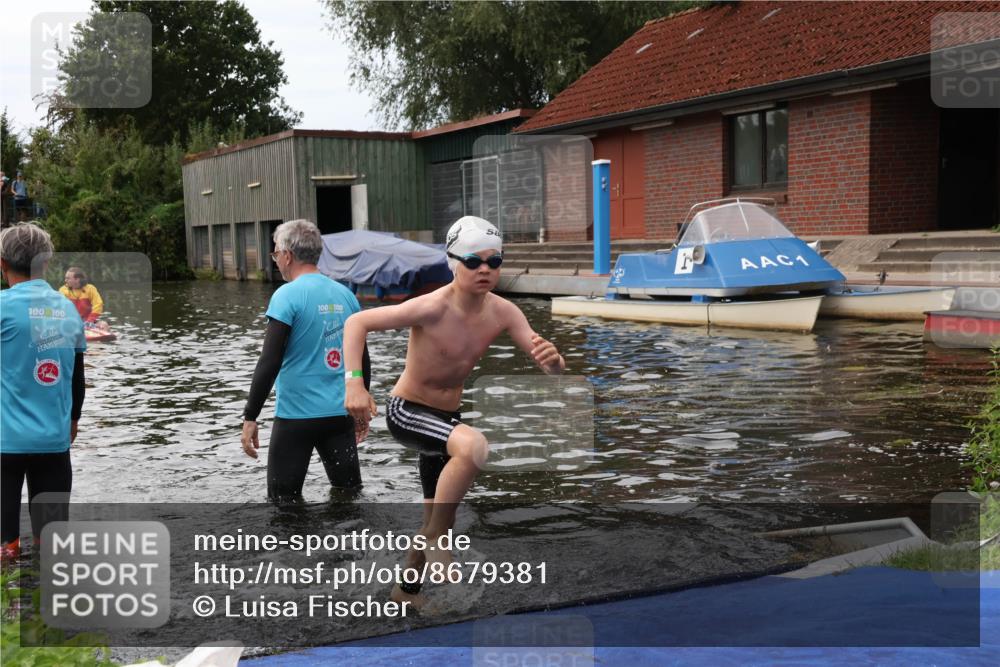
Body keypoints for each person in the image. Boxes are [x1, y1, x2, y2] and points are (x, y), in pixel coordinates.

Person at [343, 215, 565, 607]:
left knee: (436, 514)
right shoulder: (430, 307)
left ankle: (405, 591)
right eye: (473, 261)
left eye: (494, 262)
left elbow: (545, 361)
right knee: (474, 448)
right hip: (409, 411)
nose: (485, 270)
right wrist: (355, 384)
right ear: (452, 261)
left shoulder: (503, 312)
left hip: (446, 422)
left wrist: (554, 364)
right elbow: (356, 322)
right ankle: (435, 540)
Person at [240, 219, 371, 501]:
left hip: (295, 419)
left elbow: (269, 361)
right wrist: (361, 409)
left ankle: (298, 546)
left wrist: (251, 415)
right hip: (340, 416)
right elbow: (362, 358)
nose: (276, 261)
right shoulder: (346, 296)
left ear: (287, 255)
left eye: (275, 254)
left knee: (283, 504)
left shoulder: (286, 296)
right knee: (349, 497)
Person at [1, 223, 86, 562]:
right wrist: (73, 419)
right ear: (47, 264)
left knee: (5, 551)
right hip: (54, 440)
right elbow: (76, 378)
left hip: (4, 446)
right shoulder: (67, 308)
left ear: (2, 263)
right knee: (51, 548)